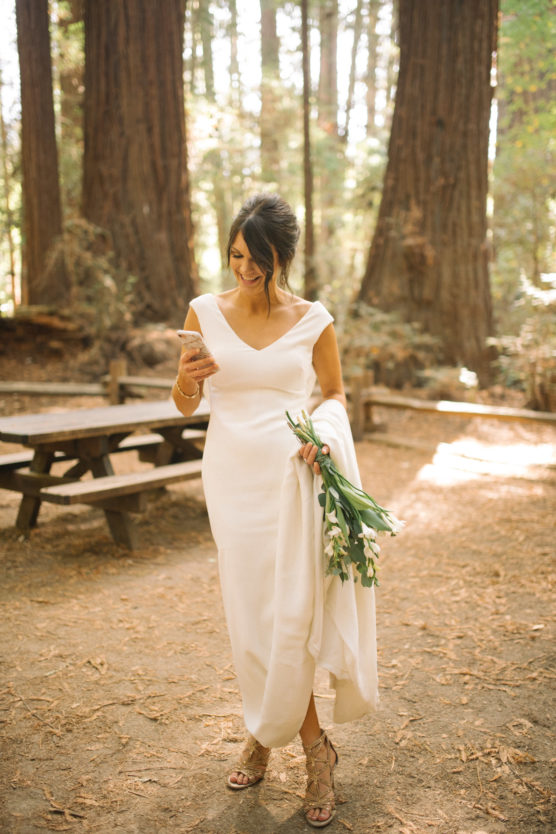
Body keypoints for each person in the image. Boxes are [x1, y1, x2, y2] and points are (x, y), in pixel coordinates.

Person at [173, 193, 377, 828]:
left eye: (255, 258)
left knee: (291, 611)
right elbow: (184, 405)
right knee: (250, 611)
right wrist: (188, 379)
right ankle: (279, 734)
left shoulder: (314, 319)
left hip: (294, 478)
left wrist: (323, 438)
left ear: (280, 257)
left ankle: (297, 743)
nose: (243, 269)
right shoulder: (203, 312)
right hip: (232, 479)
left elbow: (335, 395)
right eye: (235, 254)